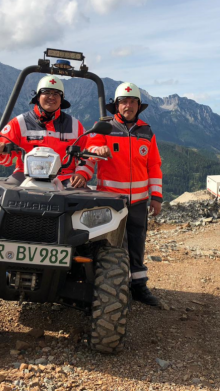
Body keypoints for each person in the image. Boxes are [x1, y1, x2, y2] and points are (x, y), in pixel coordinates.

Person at [85, 82, 163, 307]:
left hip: (139, 202)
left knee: (137, 244)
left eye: (132, 102)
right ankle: (112, 290)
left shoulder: (146, 131)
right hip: (111, 202)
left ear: (138, 106)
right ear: (116, 105)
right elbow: (89, 151)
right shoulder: (103, 126)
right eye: (124, 102)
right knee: (112, 247)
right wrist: (97, 151)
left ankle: (138, 287)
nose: (128, 105)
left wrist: (156, 197)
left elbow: (154, 166)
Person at [0, 75, 93, 187]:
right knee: (9, 192)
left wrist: (81, 174)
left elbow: (88, 155)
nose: (51, 97)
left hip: (64, 176)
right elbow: (3, 155)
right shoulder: (20, 123)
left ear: (61, 99)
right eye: (46, 92)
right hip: (25, 174)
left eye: (56, 94)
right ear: (38, 97)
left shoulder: (75, 125)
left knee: (82, 196)